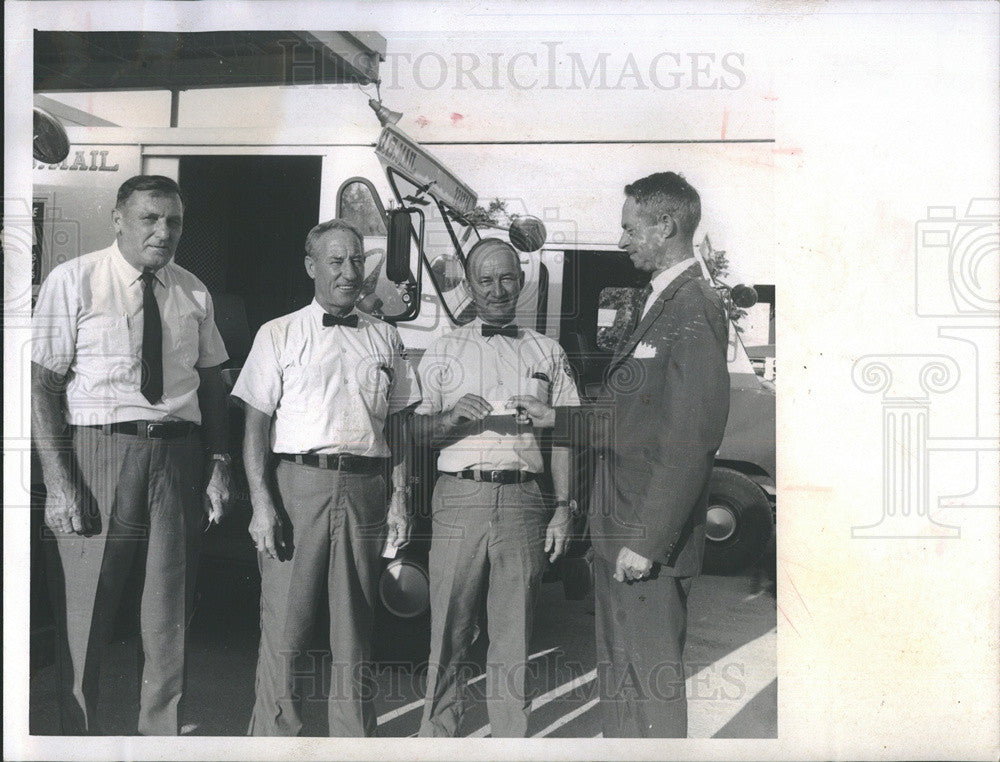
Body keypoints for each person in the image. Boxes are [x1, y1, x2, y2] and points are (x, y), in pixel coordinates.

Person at [515, 172, 731, 737]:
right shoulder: (662, 300)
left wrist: (647, 540)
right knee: (621, 685)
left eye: (630, 227)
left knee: (649, 690)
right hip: (620, 533)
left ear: (666, 225)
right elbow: (631, 420)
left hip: (643, 543)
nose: (621, 240)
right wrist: (555, 418)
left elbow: (692, 438)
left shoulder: (694, 307)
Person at [31, 174, 233, 735]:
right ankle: (77, 740)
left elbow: (212, 384)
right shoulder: (74, 280)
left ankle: (158, 741)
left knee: (168, 617)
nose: (163, 232)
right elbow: (43, 384)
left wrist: (218, 466)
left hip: (177, 457)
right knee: (83, 614)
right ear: (118, 219)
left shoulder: (193, 290)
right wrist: (60, 481)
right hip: (98, 454)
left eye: (173, 221)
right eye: (150, 218)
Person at [233, 219, 421, 737]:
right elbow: (255, 425)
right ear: (311, 266)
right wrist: (262, 503)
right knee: (286, 629)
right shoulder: (278, 332)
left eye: (357, 261)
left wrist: (400, 497)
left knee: (356, 630)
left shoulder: (386, 337)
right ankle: (273, 742)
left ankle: (354, 743)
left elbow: (400, 426)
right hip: (298, 486)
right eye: (336, 261)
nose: (348, 272)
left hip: (367, 489)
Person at [415, 237, 581, 738]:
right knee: (448, 628)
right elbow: (413, 431)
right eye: (484, 280)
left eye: (507, 278)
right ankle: (437, 737)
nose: (497, 289)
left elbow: (568, 435)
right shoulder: (444, 349)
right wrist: (450, 417)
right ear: (469, 286)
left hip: (524, 502)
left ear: (522, 281)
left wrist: (564, 508)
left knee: (514, 632)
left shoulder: (546, 351)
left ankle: (511, 739)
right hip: (459, 497)